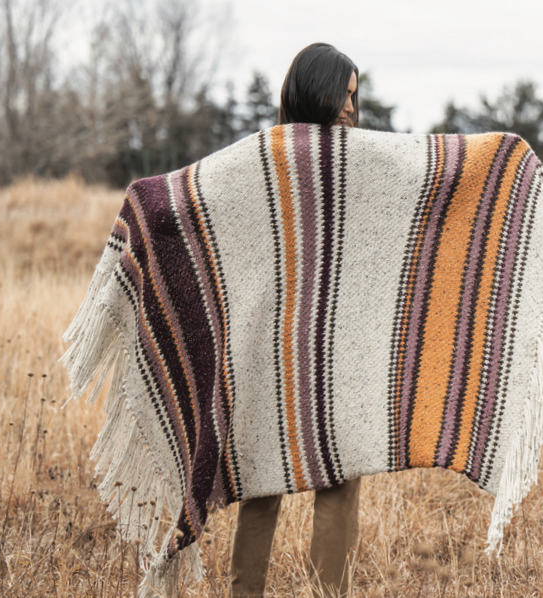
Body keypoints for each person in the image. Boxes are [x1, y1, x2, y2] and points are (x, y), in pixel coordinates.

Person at [229, 43, 362, 598]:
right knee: (272, 483)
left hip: (327, 342)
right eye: (343, 95)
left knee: (332, 479)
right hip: (282, 343)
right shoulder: (266, 161)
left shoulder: (356, 160)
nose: (351, 107)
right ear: (316, 91)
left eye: (355, 96)